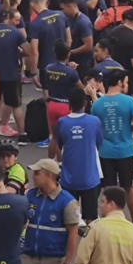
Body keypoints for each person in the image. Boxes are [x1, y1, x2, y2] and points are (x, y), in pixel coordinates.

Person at [92, 69, 133, 232]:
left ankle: (109, 221)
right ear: (120, 82)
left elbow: (95, 128)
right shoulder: (129, 101)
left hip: (105, 152)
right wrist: (126, 126)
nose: (127, 85)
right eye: (126, 82)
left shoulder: (97, 104)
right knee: (129, 187)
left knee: (108, 188)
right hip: (125, 151)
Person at [0, 8, 31, 144]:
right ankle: (22, 135)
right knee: (16, 105)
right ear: (7, 18)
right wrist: (18, 52)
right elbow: (29, 51)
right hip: (11, 74)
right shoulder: (16, 33)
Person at [56, 88, 104, 224]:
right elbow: (99, 143)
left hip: (68, 179)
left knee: (69, 218)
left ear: (69, 104)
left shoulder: (62, 122)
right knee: (91, 219)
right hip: (90, 178)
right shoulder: (94, 121)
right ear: (85, 103)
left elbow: (60, 143)